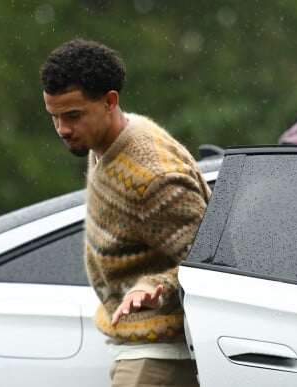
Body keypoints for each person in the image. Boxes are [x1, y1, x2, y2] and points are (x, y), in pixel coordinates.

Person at [40, 39, 210, 387]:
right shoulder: (106, 139)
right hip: (138, 346)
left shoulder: (153, 179)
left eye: (73, 115)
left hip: (162, 354)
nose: (62, 130)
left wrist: (156, 286)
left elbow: (210, 266)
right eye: (54, 116)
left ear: (110, 101)